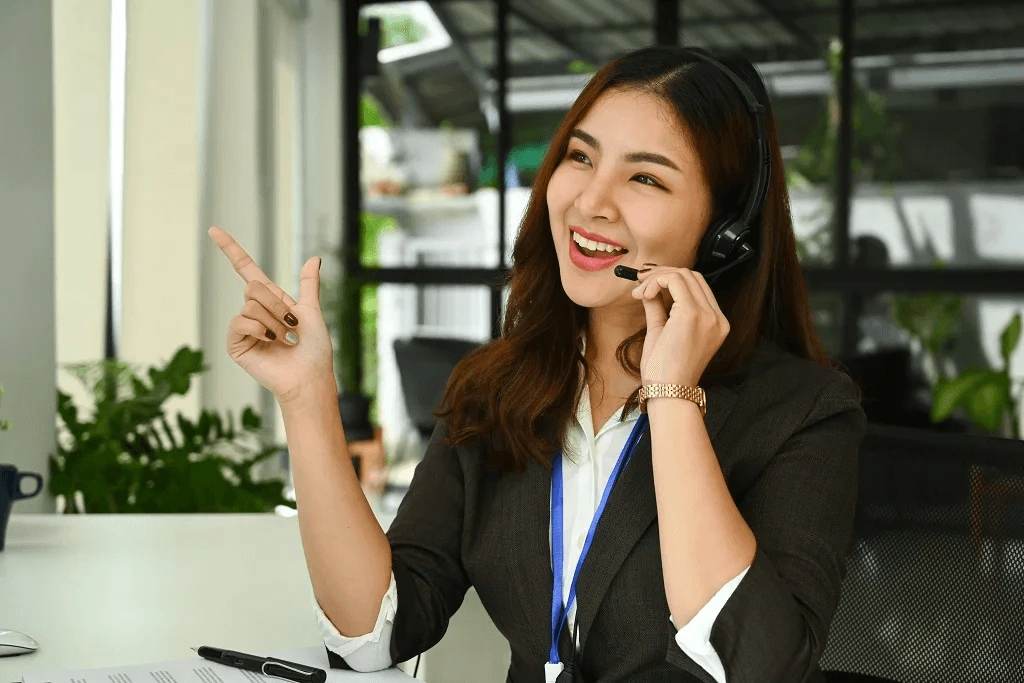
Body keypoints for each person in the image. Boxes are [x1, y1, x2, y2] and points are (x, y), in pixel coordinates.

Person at [209, 45, 866, 683]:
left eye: (645, 177)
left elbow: (761, 667)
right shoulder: (495, 389)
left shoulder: (803, 411)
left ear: (725, 233)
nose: (590, 202)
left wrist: (671, 396)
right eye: (581, 156)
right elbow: (376, 633)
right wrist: (306, 398)